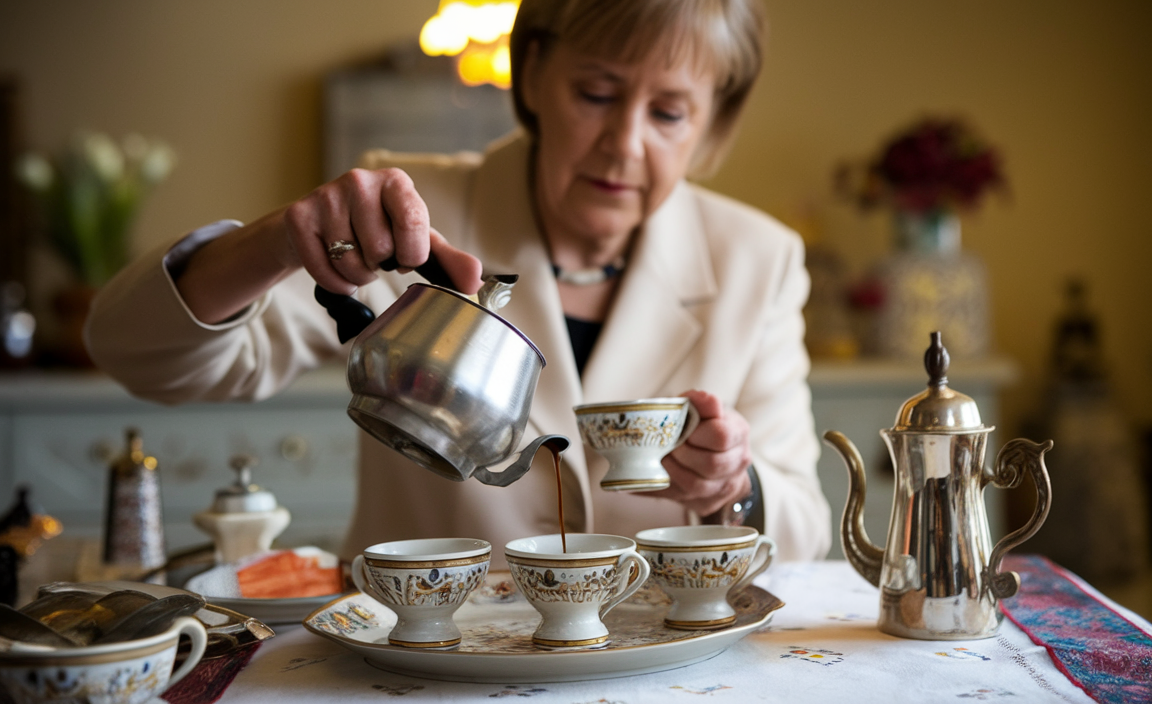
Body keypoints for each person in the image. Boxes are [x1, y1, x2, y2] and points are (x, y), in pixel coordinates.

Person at [85, 0, 831, 566]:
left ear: (710, 125)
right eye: (597, 94)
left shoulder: (757, 259)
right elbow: (139, 356)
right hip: (419, 664)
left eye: (669, 112)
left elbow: (803, 531)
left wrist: (733, 485)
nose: (625, 143)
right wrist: (281, 239)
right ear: (533, 73)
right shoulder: (410, 217)